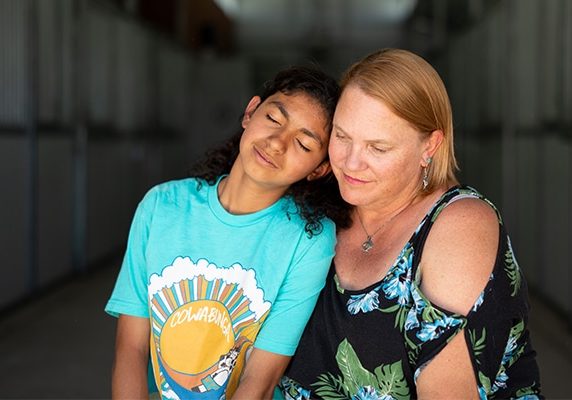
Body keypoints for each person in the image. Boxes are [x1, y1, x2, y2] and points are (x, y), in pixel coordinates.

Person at [279, 49, 542, 399]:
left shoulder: (459, 225)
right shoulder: (321, 202)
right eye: (341, 137)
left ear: (429, 146)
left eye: (378, 147)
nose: (350, 162)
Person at [105, 65, 350, 399]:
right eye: (274, 120)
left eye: (304, 144)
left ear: (319, 169)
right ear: (250, 112)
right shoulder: (161, 206)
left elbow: (260, 379)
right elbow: (131, 347)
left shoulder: (309, 240)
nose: (277, 143)